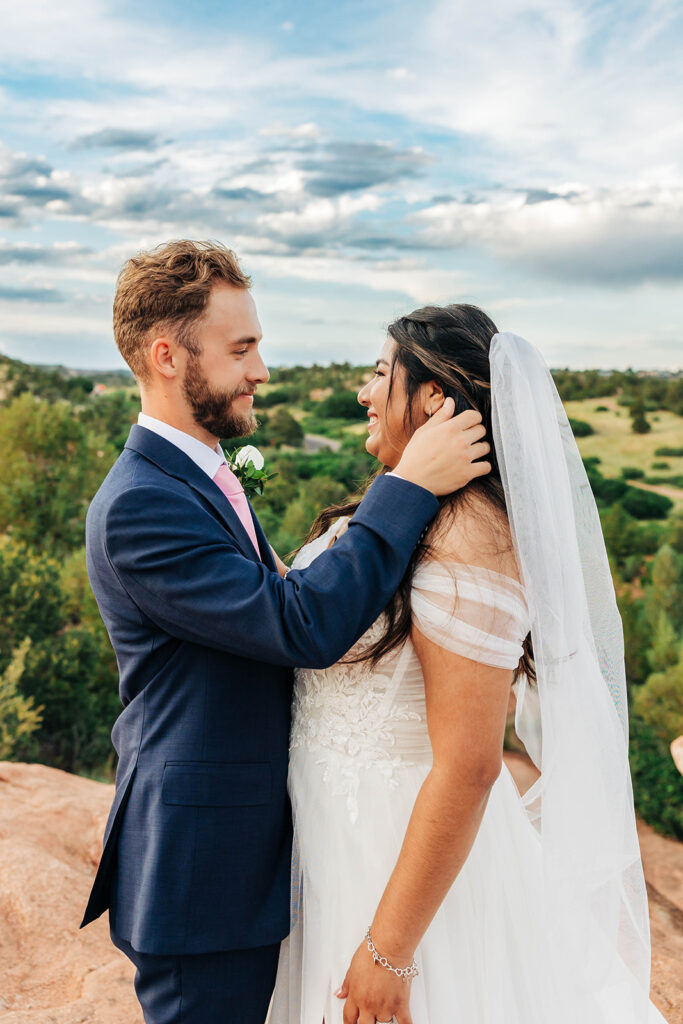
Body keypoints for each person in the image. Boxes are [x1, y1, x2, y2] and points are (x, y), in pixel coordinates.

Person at [79, 241, 491, 1024]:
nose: (262, 369)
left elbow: (184, 675)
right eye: (242, 349)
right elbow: (298, 622)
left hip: (263, 858)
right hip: (204, 880)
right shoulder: (141, 505)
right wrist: (404, 487)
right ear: (167, 356)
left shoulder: (201, 475)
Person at [271, 305, 668, 1024]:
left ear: (430, 398)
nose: (363, 392)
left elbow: (469, 765)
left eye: (381, 373)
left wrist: (390, 948)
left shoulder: (471, 537)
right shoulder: (405, 506)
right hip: (325, 842)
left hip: (394, 864)